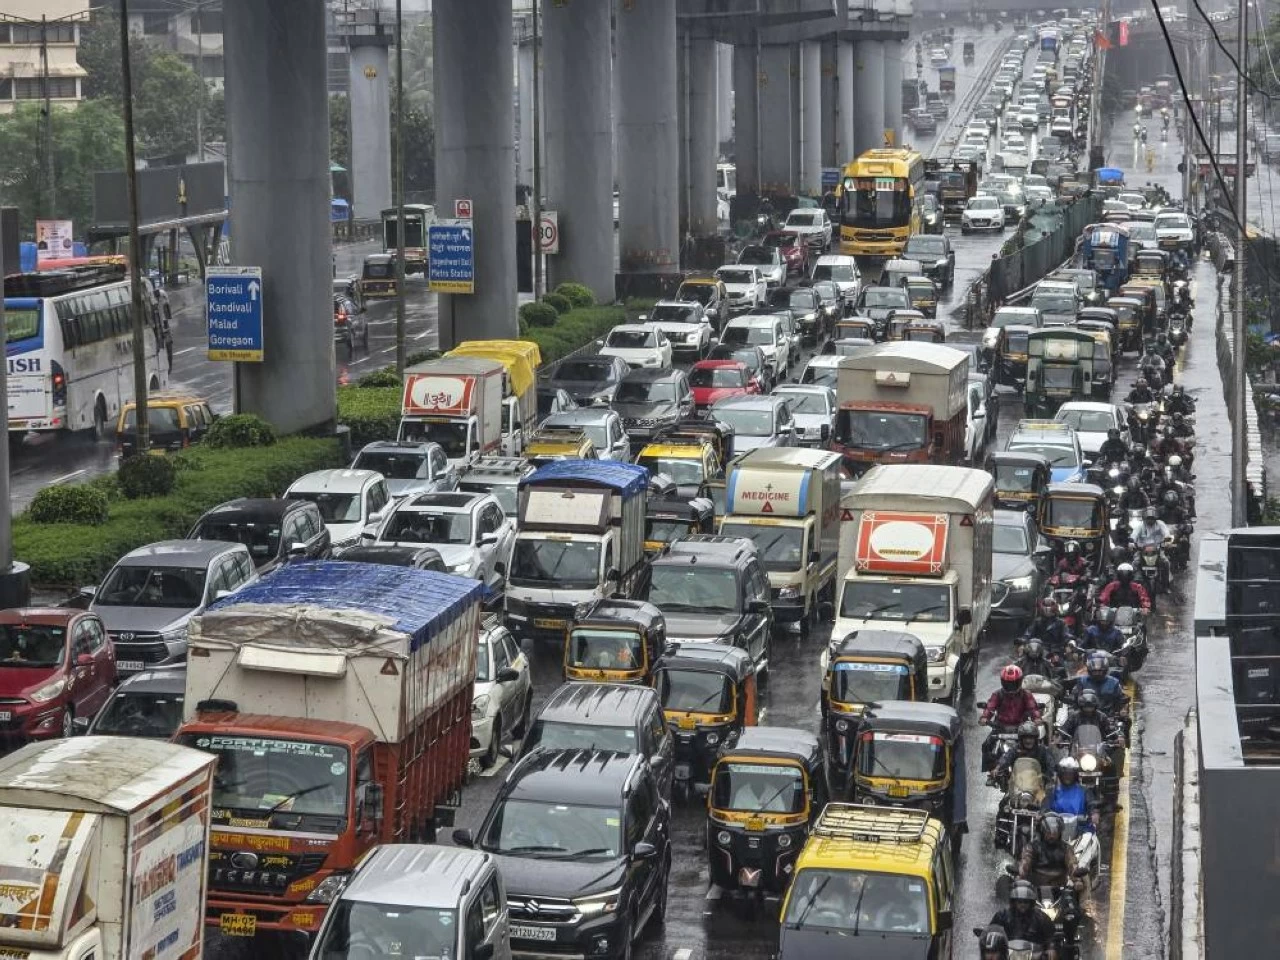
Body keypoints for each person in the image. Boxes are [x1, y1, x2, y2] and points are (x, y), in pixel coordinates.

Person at [980, 665, 1042, 771]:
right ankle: (991, 771)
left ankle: (1038, 770)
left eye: (1013, 683)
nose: (1011, 686)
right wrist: (984, 717)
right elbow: (990, 707)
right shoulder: (997, 694)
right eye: (1008, 683)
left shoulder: (1026, 694)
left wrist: (1037, 718)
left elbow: (1033, 708)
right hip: (1000, 727)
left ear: (1019, 682)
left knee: (1037, 745)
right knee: (986, 745)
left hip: (1021, 727)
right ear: (1003, 682)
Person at [988, 881, 1059, 960]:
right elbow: (991, 932)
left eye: (1026, 902)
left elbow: (1051, 936)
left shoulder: (1041, 917)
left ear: (1031, 902)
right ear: (1014, 902)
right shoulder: (1002, 915)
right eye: (1020, 901)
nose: (1022, 904)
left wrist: (1051, 948)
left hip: (1035, 956)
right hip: (1007, 955)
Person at [1018, 812, 1081, 891]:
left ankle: (1085, 902)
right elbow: (1025, 861)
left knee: (1084, 879)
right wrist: (1020, 873)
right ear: (1042, 832)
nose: (1052, 836)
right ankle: (1006, 903)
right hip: (1035, 888)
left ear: (1059, 833)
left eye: (1055, 833)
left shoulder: (1066, 848)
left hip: (1059, 889)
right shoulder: (1032, 847)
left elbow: (1072, 863)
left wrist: (1077, 880)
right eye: (1048, 833)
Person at [990, 719, 1056, 787]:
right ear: (1021, 739)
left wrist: (1048, 776)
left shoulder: (1042, 750)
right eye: (1025, 737)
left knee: (1049, 795)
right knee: (1007, 797)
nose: (1028, 740)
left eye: (1031, 738)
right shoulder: (1016, 749)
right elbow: (1006, 757)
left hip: (1038, 785)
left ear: (1035, 739)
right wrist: (997, 768)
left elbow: (1051, 764)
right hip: (1018, 784)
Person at [1044, 757, 1101, 832]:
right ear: (1061, 774)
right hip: (1056, 832)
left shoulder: (1084, 790)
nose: (1068, 776)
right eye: (1065, 774)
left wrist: (1094, 813)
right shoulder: (1052, 791)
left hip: (1081, 831)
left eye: (1070, 774)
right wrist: (1042, 814)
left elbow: (1092, 805)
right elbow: (1045, 807)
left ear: (1075, 775)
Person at [1058, 687, 1125, 745]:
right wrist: (1059, 738)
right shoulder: (1074, 716)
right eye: (1086, 707)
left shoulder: (1101, 717)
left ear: (1095, 706)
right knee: (1067, 760)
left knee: (1108, 759)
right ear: (1081, 706)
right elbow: (1065, 729)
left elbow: (1110, 729)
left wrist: (1118, 737)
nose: (1088, 709)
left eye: (1091, 707)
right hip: (1077, 748)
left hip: (1098, 749)